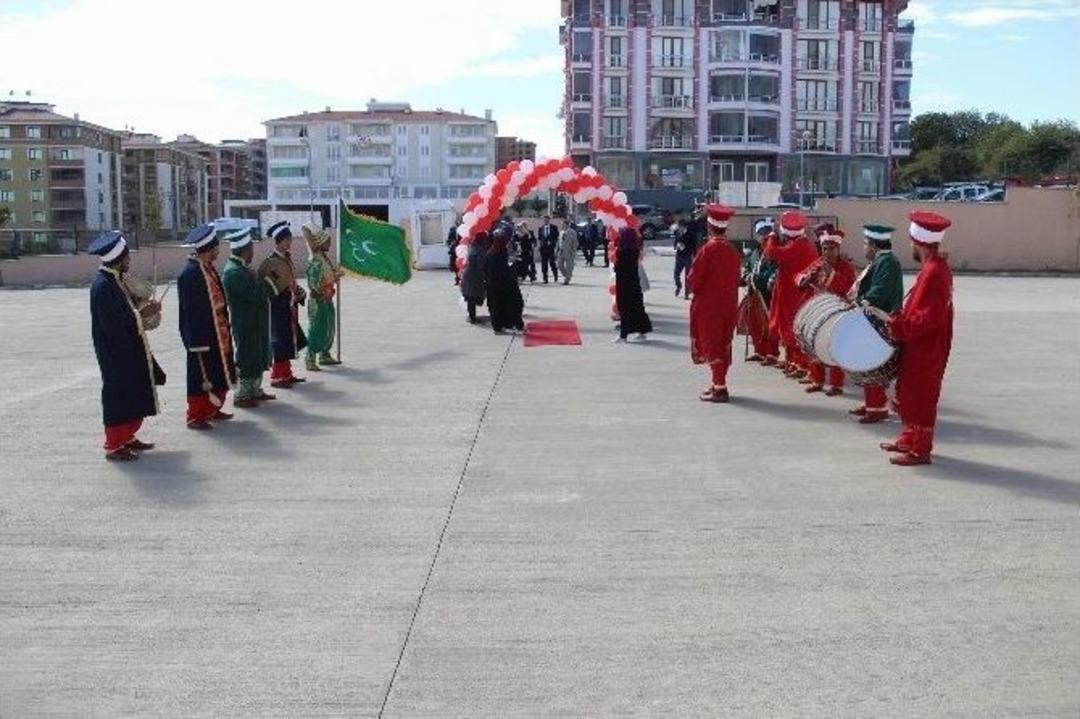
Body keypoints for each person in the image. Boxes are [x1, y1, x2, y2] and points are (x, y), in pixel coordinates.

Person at [881, 211, 955, 466]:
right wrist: (900, 317)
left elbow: (930, 316)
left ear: (919, 241)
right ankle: (908, 438)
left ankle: (920, 450)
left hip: (926, 344)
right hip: (920, 343)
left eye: (912, 240)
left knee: (922, 394)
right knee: (909, 390)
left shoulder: (935, 271)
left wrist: (900, 328)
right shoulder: (933, 267)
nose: (910, 245)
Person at [88, 231, 165, 461]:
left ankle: (128, 436)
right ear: (118, 258)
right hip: (115, 354)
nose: (129, 261)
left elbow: (127, 314)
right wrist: (142, 314)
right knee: (118, 396)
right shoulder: (103, 286)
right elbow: (113, 325)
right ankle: (114, 445)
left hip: (130, 349)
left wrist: (143, 308)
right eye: (127, 257)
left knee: (134, 392)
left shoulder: (116, 280)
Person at [177, 224, 237, 430]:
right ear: (208, 248)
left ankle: (213, 409)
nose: (218, 251)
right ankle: (195, 415)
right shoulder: (190, 274)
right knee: (201, 376)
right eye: (216, 247)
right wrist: (195, 341)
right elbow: (189, 313)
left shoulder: (208, 269)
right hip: (202, 336)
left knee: (219, 371)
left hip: (219, 330)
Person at [849, 223, 904, 423]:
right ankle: (872, 403)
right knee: (867, 363)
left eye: (865, 243)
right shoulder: (882, 260)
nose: (864, 247)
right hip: (872, 318)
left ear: (873, 245)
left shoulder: (887, 262)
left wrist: (859, 302)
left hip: (879, 319)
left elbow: (879, 292)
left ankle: (877, 408)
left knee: (873, 364)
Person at [796, 225, 857, 395]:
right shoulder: (817, 264)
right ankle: (817, 380)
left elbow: (848, 289)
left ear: (838, 249)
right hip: (817, 313)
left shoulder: (846, 267)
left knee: (834, 349)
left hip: (837, 314)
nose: (827, 252)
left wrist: (832, 274)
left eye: (831, 249)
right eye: (824, 248)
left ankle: (836, 385)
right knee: (814, 345)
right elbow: (799, 277)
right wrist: (805, 278)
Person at [689, 205, 741, 403]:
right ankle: (718, 382)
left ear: (710, 227)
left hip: (709, 306)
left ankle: (720, 388)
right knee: (722, 343)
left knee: (711, 344)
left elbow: (694, 281)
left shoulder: (707, 250)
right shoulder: (732, 251)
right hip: (728, 304)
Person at [221, 228, 275, 409]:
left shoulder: (241, 268)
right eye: (251, 249)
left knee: (258, 353)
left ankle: (254, 390)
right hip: (245, 322)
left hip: (254, 321)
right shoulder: (234, 272)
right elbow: (256, 294)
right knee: (247, 355)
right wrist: (270, 281)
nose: (253, 252)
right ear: (244, 250)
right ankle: (242, 394)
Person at [763, 211, 819, 379]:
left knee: (793, 329)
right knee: (789, 329)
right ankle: (794, 362)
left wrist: (772, 235)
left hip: (794, 295)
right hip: (792, 293)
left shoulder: (796, 247)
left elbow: (770, 252)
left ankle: (801, 364)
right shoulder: (803, 245)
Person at [257, 221, 308, 388]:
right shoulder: (270, 263)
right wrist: (286, 295)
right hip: (277, 308)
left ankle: (287, 373)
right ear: (278, 241)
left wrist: (298, 293)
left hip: (289, 307)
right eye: (286, 240)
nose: (289, 243)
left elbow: (290, 281)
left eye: (290, 239)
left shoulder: (286, 258)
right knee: (280, 340)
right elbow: (269, 287)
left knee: (288, 340)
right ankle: (278, 376)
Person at [303, 224, 342, 372]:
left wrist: (334, 274)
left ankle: (324, 355)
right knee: (317, 329)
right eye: (327, 242)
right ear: (320, 243)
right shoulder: (316, 260)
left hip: (327, 299)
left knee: (329, 327)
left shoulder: (324, 258)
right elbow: (314, 282)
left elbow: (329, 275)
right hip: (318, 300)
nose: (330, 244)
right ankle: (310, 357)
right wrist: (334, 277)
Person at [741, 219, 780, 364]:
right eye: (760, 233)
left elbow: (776, 271)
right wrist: (748, 277)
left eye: (766, 232)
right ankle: (759, 351)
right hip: (754, 294)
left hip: (768, 294)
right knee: (755, 324)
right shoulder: (755, 252)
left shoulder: (773, 251)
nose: (763, 236)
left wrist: (762, 279)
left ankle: (772, 354)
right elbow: (747, 268)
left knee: (770, 324)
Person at [612, 226, 652, 343]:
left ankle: (623, 336)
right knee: (637, 307)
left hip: (624, 283)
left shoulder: (622, 251)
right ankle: (642, 331)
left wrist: (616, 266)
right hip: (634, 282)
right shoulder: (635, 250)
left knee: (625, 308)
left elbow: (619, 267)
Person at [483, 226, 525, 334]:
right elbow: (505, 269)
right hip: (504, 285)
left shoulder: (490, 252)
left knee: (496, 306)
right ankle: (512, 323)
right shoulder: (500, 253)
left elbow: (485, 268)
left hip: (492, 286)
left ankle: (498, 326)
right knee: (515, 303)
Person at [460, 233, 489, 324]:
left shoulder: (474, 247)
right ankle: (472, 317)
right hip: (473, 276)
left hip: (471, 275)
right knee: (472, 296)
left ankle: (472, 316)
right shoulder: (478, 250)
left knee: (471, 296)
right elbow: (481, 264)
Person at [672, 217, 698, 300]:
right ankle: (678, 286)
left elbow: (694, 245)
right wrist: (677, 246)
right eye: (678, 226)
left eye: (680, 226)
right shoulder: (677, 233)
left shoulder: (690, 233)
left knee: (688, 276)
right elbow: (675, 244)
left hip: (687, 256)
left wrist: (694, 255)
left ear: (683, 226)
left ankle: (687, 293)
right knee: (676, 274)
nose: (678, 227)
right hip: (679, 256)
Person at [537, 215, 560, 284]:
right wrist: (541, 244)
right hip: (543, 249)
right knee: (544, 264)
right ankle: (545, 278)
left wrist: (552, 242)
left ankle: (555, 275)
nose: (546, 221)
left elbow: (557, 236)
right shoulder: (541, 228)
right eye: (544, 220)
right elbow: (540, 238)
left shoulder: (554, 227)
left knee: (552, 263)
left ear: (549, 220)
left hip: (551, 248)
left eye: (547, 219)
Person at [447, 220, 461, 285]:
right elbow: (449, 239)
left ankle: (460, 278)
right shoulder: (452, 229)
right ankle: (457, 278)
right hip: (454, 249)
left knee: (461, 264)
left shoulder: (463, 228)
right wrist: (451, 243)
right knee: (455, 265)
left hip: (461, 248)